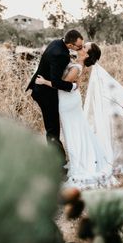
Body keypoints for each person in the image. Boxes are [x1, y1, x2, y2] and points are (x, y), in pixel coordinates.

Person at [35, 42, 123, 189]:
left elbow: (61, 85)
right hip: (69, 100)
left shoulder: (76, 67)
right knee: (76, 130)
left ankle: (82, 163)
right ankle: (83, 159)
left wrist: (43, 81)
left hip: (68, 103)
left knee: (74, 132)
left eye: (85, 47)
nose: (82, 47)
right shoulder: (75, 64)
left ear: (86, 54)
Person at [27, 29, 84, 167]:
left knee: (52, 128)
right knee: (52, 130)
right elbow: (57, 82)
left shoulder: (56, 43)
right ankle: (59, 165)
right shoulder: (61, 54)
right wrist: (73, 87)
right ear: (70, 45)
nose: (81, 48)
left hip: (41, 89)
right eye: (79, 47)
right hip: (45, 93)